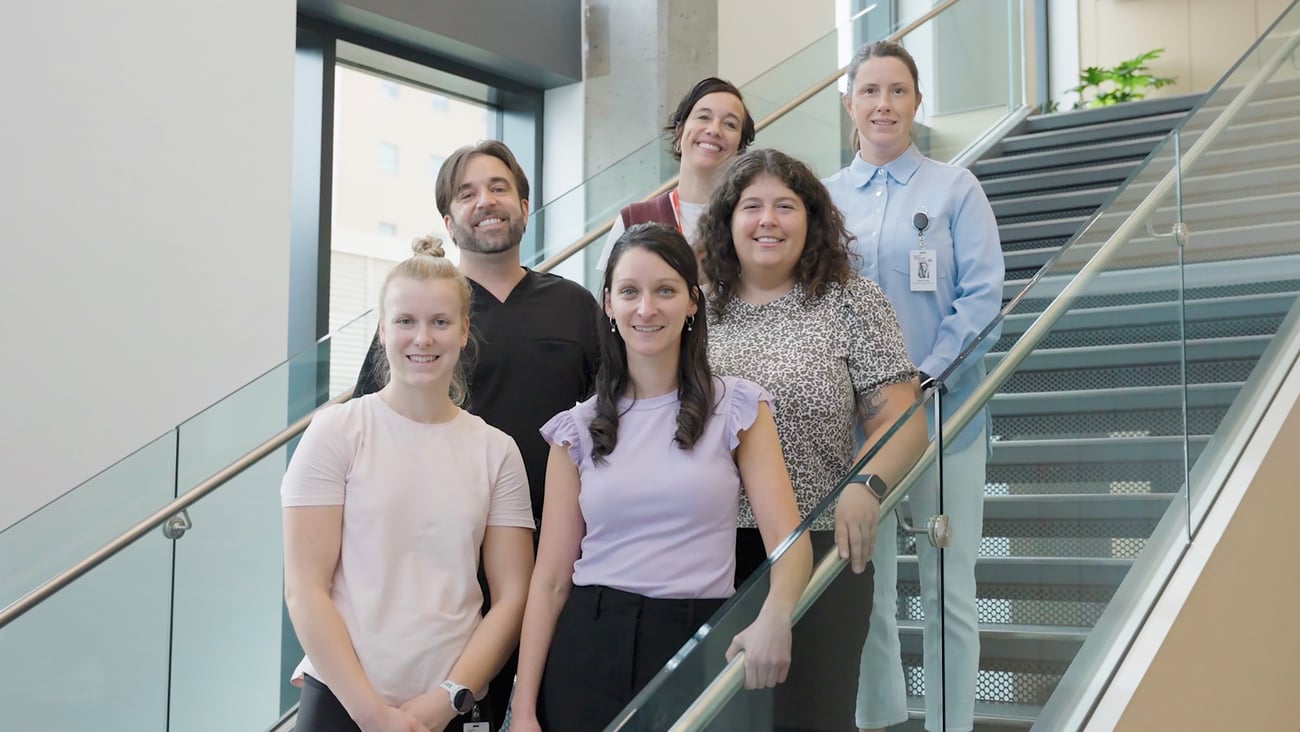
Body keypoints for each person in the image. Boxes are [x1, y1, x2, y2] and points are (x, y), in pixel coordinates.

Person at [509, 223, 813, 732]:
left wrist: (775, 616)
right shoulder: (575, 430)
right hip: (589, 646)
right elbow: (551, 581)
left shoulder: (737, 406)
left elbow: (789, 543)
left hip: (701, 639)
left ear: (692, 302)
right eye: (629, 292)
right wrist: (522, 709)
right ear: (607, 304)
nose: (645, 309)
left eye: (665, 290)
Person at [353, 141, 602, 724]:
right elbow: (372, 439)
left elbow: (615, 421)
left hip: (558, 564)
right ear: (447, 220)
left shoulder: (575, 306)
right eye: (466, 194)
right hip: (439, 567)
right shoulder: (426, 312)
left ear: (524, 203)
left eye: (497, 188)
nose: (484, 202)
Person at [698, 148, 928, 732]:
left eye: (785, 206)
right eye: (751, 206)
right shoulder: (695, 309)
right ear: (727, 221)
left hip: (821, 544)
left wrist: (865, 482)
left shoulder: (852, 300)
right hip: (707, 551)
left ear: (812, 218)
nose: (768, 220)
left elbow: (902, 420)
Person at [822, 40, 1005, 732]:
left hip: (942, 420)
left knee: (947, 591)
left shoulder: (955, 188)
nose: (883, 105)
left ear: (917, 103)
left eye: (897, 91)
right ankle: (881, 723)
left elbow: (983, 296)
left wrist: (930, 377)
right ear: (849, 105)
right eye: (869, 91)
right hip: (855, 430)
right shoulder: (826, 199)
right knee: (867, 593)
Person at [282, 238, 536, 732]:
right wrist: (372, 714)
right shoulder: (337, 431)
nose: (423, 338)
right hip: (343, 701)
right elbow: (304, 589)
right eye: (406, 321)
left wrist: (446, 700)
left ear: (464, 331)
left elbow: (513, 596)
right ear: (382, 330)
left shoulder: (497, 450)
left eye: (440, 322)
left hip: (451, 707)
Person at [594, 77, 757, 271]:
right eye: (704, 117)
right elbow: (611, 297)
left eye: (730, 124)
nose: (714, 130)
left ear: (740, 147)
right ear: (679, 133)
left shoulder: (752, 219)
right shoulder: (634, 218)